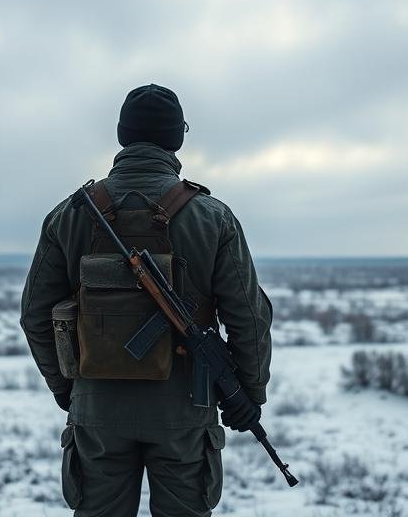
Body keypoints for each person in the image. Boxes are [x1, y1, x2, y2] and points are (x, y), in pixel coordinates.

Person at [20, 84, 272, 517]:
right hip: (186, 409)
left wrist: (70, 389)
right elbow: (249, 318)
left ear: (123, 134)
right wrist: (246, 393)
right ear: (176, 138)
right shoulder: (213, 217)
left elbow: (34, 316)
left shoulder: (70, 215)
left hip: (96, 408)